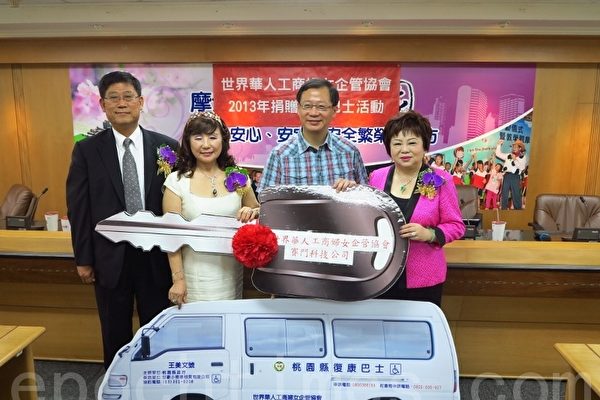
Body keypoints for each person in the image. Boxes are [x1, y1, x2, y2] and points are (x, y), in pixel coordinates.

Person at [66, 71, 179, 369]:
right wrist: (83, 259)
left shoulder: (167, 147)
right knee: (114, 330)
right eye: (113, 98)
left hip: (155, 256)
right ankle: (117, 383)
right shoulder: (87, 150)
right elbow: (78, 208)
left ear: (140, 102)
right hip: (109, 257)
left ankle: (155, 382)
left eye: (128, 97)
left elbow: (178, 202)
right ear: (102, 105)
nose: (121, 103)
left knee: (157, 328)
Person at [162, 111, 260, 306]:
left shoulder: (238, 177)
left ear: (223, 140)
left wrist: (252, 212)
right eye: (198, 138)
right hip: (193, 278)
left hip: (230, 274)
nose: (206, 145)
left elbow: (257, 210)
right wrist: (178, 279)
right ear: (188, 142)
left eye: (213, 137)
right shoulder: (177, 182)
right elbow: (171, 236)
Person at [369, 110, 465, 306]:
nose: (404, 150)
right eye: (397, 143)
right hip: (380, 275)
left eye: (412, 143)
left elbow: (456, 225)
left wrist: (429, 234)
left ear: (424, 145)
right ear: (389, 148)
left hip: (423, 279)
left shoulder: (441, 180)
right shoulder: (377, 177)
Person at [257, 78, 368, 193]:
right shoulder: (280, 154)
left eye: (321, 107)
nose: (313, 113)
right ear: (298, 109)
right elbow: (265, 200)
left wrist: (355, 190)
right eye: (307, 106)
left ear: (334, 111)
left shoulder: (350, 151)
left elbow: (367, 198)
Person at [495, 138, 527, 209]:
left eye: (516, 147)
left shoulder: (522, 157)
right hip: (506, 176)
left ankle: (518, 211)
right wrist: (499, 145)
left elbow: (522, 167)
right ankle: (504, 209)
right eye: (513, 146)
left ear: (520, 148)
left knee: (516, 194)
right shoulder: (509, 155)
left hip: (515, 177)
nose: (514, 148)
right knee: (504, 193)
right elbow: (498, 154)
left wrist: (515, 159)